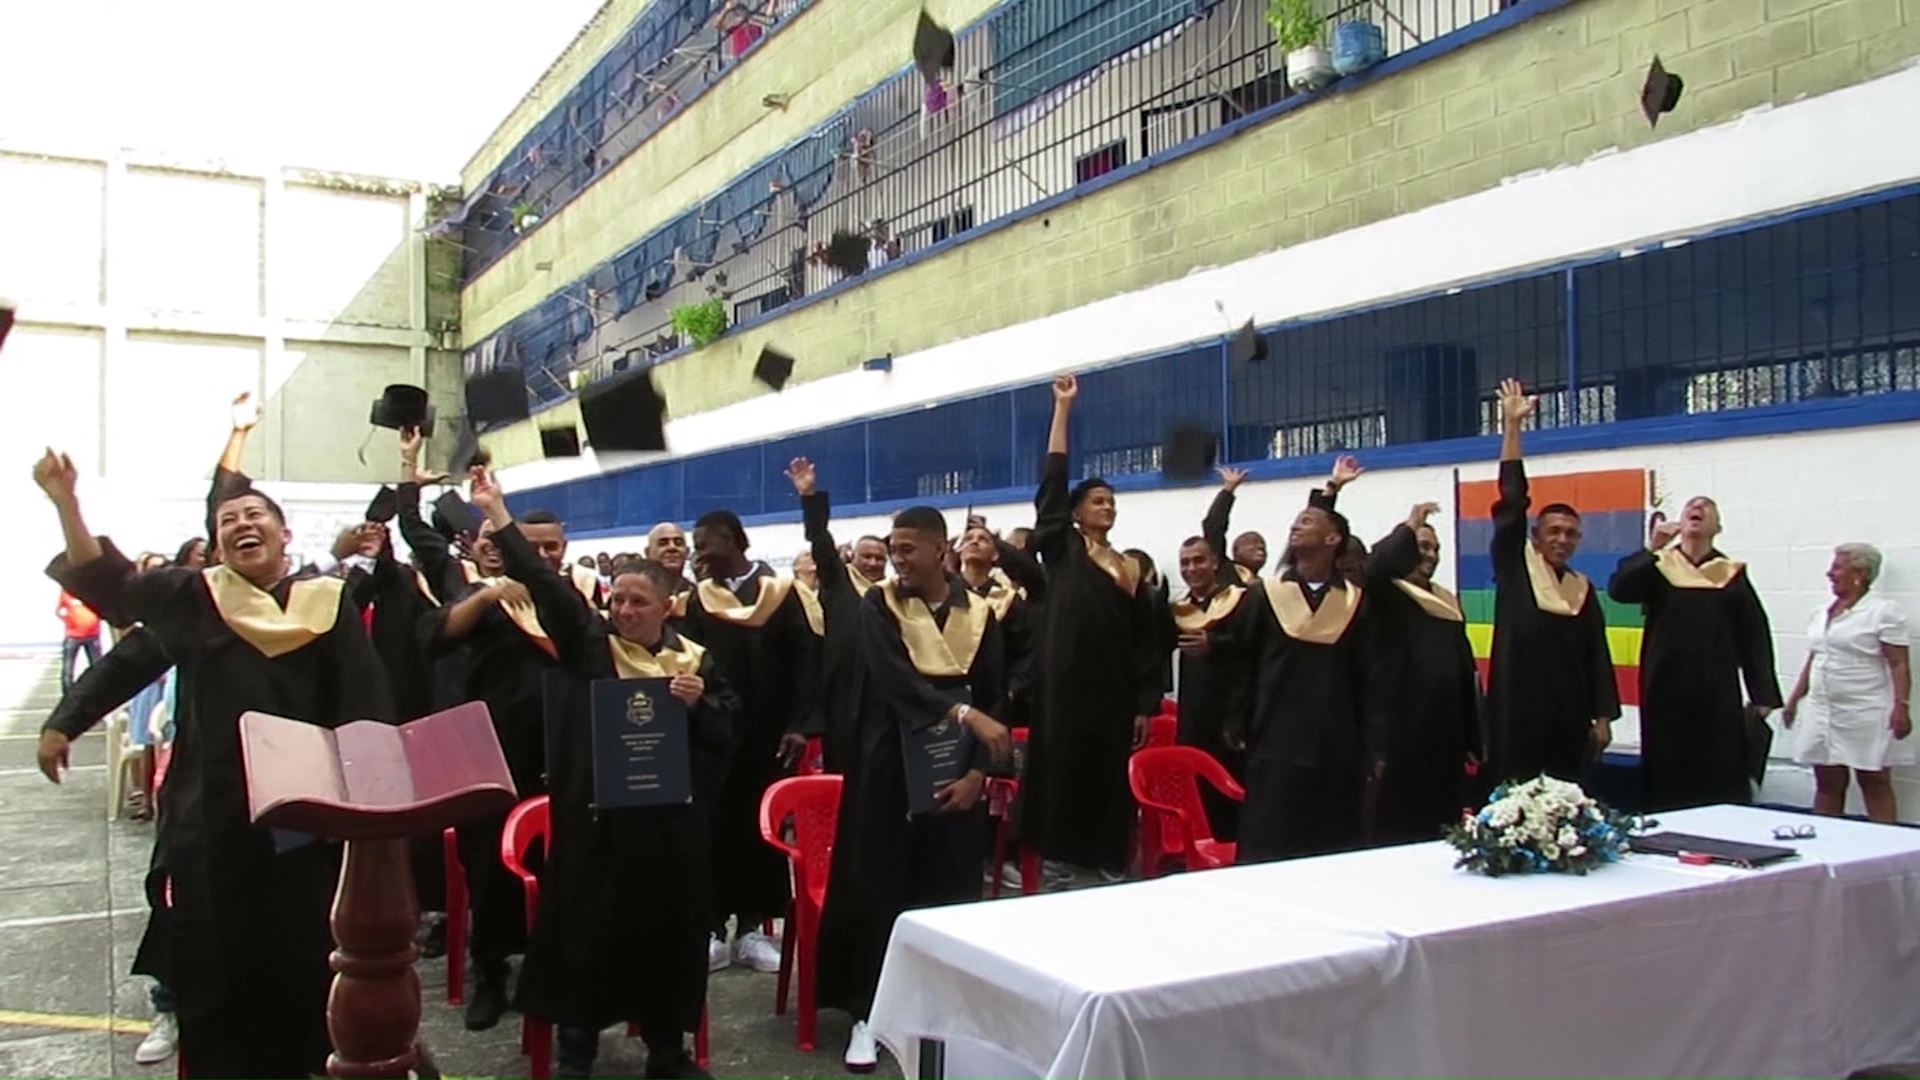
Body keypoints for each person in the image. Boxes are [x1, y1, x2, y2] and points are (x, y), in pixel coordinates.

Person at [34, 447, 395, 1080]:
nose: (240, 524)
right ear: (218, 541)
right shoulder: (198, 600)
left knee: (302, 953)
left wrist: (373, 814)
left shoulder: (327, 605)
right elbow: (116, 599)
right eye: (227, 519)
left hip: (302, 822)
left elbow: (363, 707)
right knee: (215, 964)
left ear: (285, 534)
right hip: (213, 821)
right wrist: (67, 502)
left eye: (255, 514)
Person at [471, 470, 729, 1080]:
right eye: (617, 599)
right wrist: (497, 513)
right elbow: (544, 584)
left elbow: (727, 734)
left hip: (669, 832)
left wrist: (701, 705)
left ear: (668, 606)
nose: (625, 610)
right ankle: (576, 1053)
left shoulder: (695, 662)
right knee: (586, 942)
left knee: (668, 941)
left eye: (640, 601)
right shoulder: (593, 648)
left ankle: (668, 1053)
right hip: (599, 833)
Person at [816, 505, 1012, 1072]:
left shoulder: (981, 613)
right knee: (881, 887)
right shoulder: (880, 605)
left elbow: (996, 696)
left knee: (949, 888)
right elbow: (892, 677)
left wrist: (979, 773)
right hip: (887, 766)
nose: (897, 560)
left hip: (957, 775)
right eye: (893, 549)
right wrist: (963, 715)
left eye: (907, 549)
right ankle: (868, 1015)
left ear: (939, 549)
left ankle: (944, 1012)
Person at [423, 501, 580, 1030]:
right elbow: (434, 634)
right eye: (530, 546)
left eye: (551, 547)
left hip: (563, 758)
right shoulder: (490, 599)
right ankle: (489, 972)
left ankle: (550, 964)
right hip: (492, 759)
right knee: (491, 870)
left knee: (560, 869)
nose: (541, 555)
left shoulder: (570, 602)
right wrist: (489, 591)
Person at [1020, 373, 1166, 880]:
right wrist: (1064, 410)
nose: (1107, 506)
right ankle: (1056, 862)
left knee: (1107, 778)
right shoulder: (1064, 549)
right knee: (1062, 772)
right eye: (1097, 500)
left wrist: (1145, 703)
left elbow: (1146, 642)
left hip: (1113, 694)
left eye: (1111, 501)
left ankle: (1107, 861)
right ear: (1077, 512)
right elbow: (1053, 480)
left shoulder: (1128, 567)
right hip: (1064, 688)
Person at [684, 509, 815, 973]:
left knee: (764, 832)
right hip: (714, 735)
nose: (698, 552)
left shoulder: (780, 594)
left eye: (705, 543)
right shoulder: (699, 599)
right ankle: (715, 928)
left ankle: (756, 929)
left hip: (769, 734)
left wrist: (800, 723)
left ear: (735, 541)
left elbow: (805, 661)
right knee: (715, 828)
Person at [1482, 378, 1620, 784]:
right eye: (1554, 530)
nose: (1562, 538)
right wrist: (1512, 429)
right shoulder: (1515, 565)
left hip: (1569, 716)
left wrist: (1603, 716)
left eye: (1571, 533)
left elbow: (1598, 654)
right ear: (1536, 536)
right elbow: (1511, 501)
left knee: (1567, 803)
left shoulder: (1581, 590)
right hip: (1516, 716)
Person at [1607, 497, 1782, 811]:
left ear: (1718, 527)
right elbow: (1620, 590)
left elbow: (1754, 634)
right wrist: (1653, 547)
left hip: (1716, 688)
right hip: (1664, 686)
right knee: (1666, 764)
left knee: (1718, 764)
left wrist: (1762, 694)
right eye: (1691, 505)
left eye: (1708, 506)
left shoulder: (1729, 574)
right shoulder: (1659, 567)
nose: (1697, 508)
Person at [1233, 490, 1379, 862]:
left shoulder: (1354, 602)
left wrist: (1373, 742)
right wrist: (1238, 722)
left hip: (1337, 743)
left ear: (1333, 539)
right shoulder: (1266, 595)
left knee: (1331, 845)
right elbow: (1243, 661)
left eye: (1308, 520)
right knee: (1271, 841)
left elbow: (1368, 677)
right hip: (1275, 739)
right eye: (1296, 520)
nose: (1297, 525)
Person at [1363, 501, 1483, 842]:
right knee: (1397, 832)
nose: (1431, 555)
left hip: (1446, 741)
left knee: (1442, 832)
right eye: (1422, 547)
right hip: (1399, 739)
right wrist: (1411, 523)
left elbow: (1465, 670)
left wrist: (1473, 737)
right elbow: (1375, 567)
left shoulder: (1446, 602)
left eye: (1436, 549)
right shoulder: (1387, 594)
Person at [1783, 543, 1912, 823]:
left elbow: (1898, 663)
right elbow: (1815, 657)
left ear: (1861, 573)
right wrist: (1794, 700)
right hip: (1822, 708)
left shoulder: (1882, 612)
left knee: (1873, 780)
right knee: (1827, 780)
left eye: (1838, 567)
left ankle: (1885, 847)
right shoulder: (1822, 613)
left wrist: (1902, 706)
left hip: (1865, 709)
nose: (1830, 573)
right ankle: (1829, 841)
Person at [1169, 475, 1259, 842]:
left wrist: (1216, 643)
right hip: (1195, 722)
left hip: (1232, 722)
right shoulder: (1179, 609)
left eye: (1199, 561)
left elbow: (1253, 648)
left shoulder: (1240, 601)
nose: (1192, 569)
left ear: (1215, 563)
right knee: (1201, 805)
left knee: (1235, 805)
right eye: (1185, 563)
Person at [56, 588, 102, 693]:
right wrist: (68, 620)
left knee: (97, 666)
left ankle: (98, 691)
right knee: (68, 668)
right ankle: (67, 694)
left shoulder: (93, 593)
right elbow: (59, 611)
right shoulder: (66, 593)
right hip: (73, 636)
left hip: (92, 635)